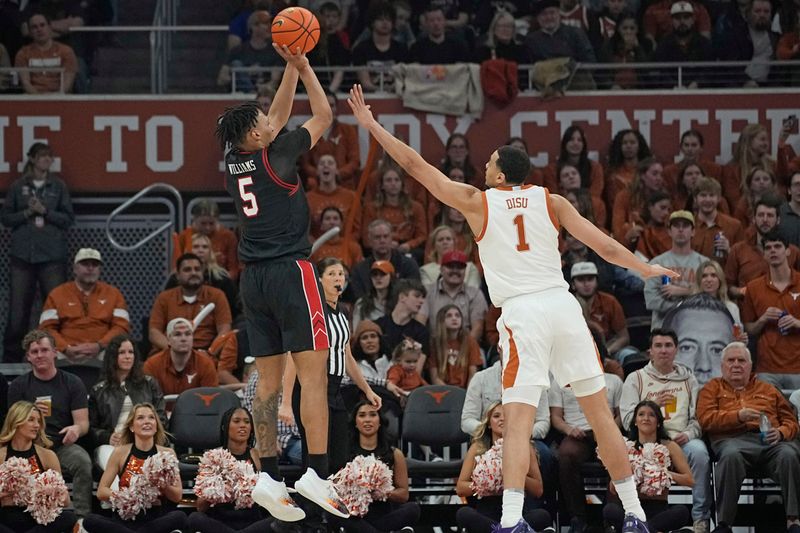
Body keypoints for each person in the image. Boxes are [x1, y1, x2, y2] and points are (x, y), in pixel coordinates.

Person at [347, 84, 677, 532]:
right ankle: (636, 516)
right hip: (563, 306)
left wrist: (371, 126)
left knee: (517, 422)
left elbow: (415, 166)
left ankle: (511, 520)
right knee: (601, 417)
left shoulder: (478, 202)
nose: (484, 167)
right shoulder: (552, 200)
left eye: (489, 164)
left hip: (524, 313)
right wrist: (644, 268)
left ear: (501, 176)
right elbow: (600, 243)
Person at [216, 46, 350, 522]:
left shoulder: (235, 156)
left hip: (252, 281)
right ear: (258, 134)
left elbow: (274, 113)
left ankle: (270, 476)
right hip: (293, 273)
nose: (271, 121)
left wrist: (290, 66)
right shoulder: (282, 153)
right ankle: (315, 472)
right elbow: (324, 113)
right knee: (312, 377)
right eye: (264, 122)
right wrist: (308, 66)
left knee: (268, 388)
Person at [696, 342, 800, 532]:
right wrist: (738, 416)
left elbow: (792, 422)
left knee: (789, 454)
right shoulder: (711, 388)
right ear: (722, 366)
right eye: (731, 360)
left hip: (770, 443)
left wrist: (781, 432)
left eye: (741, 360)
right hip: (731, 441)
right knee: (730, 455)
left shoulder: (768, 389)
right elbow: (706, 420)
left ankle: (793, 520)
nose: (736, 364)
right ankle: (724, 524)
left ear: (750, 366)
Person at [619, 330, 710, 532]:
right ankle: (631, 516)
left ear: (676, 350)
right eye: (658, 346)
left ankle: (700, 519)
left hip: (681, 439)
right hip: (646, 441)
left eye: (668, 345)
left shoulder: (689, 379)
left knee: (700, 453)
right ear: (649, 351)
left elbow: (698, 419)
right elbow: (626, 421)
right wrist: (651, 406)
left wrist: (689, 434)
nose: (663, 350)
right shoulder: (636, 378)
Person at [6, 330, 92, 518]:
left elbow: (83, 422)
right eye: (34, 352)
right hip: (29, 447)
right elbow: (11, 425)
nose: (40, 355)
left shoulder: (72, 382)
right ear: (28, 357)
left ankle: (82, 519)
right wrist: (29, 411)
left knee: (82, 461)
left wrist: (76, 429)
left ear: (55, 352)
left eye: (44, 350)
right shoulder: (18, 386)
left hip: (62, 444)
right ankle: (19, 516)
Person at [2, 142, 73, 363]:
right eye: (42, 156)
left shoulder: (58, 186)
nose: (46, 160)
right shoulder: (17, 186)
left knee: (54, 309)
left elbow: (68, 219)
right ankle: (11, 362)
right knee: (17, 312)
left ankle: (57, 356)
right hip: (23, 257)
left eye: (49, 156)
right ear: (32, 159)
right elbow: (6, 218)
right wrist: (27, 212)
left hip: (52, 257)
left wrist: (46, 212)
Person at [83, 403, 187, 533]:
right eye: (140, 418)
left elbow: (177, 496)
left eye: (151, 417)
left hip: (155, 518)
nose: (147, 421)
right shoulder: (120, 452)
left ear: (156, 427)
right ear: (132, 427)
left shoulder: (167, 454)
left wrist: (160, 482)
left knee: (180, 517)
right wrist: (125, 496)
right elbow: (102, 491)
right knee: (89, 520)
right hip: (126, 517)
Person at [455, 403, 553, 533]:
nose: (502, 419)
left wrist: (514, 475)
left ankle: (503, 530)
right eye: (496, 416)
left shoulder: (526, 447)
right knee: (463, 513)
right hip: (486, 514)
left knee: (542, 515)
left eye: (507, 416)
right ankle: (508, 531)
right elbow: (461, 488)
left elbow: (538, 490)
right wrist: (485, 483)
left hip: (517, 513)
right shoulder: (477, 448)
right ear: (489, 423)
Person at [327, 400, 421, 533]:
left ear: (380, 420)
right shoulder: (344, 453)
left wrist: (382, 491)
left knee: (413, 509)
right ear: (355, 422)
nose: (367, 420)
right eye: (362, 415)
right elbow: (334, 490)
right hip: (355, 516)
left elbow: (403, 495)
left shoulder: (395, 454)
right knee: (333, 513)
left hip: (384, 514)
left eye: (372, 415)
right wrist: (355, 488)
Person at [603, 400, 693, 533]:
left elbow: (690, 480)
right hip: (630, 507)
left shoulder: (670, 446)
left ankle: (639, 529)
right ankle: (647, 529)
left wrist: (663, 472)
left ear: (658, 422)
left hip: (658, 509)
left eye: (651, 415)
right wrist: (631, 473)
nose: (646, 418)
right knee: (609, 510)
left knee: (682, 512)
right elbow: (612, 488)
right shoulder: (626, 447)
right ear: (635, 421)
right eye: (641, 414)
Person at [549, 370, 624, 532]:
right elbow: (555, 417)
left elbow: (621, 414)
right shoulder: (560, 382)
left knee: (618, 454)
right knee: (566, 454)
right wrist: (568, 429)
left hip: (606, 431)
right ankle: (578, 518)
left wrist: (609, 428)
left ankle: (611, 519)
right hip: (577, 433)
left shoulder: (613, 380)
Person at [187, 407, 272, 533]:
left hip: (251, 520)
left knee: (280, 520)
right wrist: (217, 487)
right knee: (194, 518)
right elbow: (200, 507)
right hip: (221, 521)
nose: (242, 425)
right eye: (236, 421)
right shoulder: (214, 456)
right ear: (225, 427)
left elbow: (269, 498)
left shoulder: (257, 455)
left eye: (247, 422)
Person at [39, 248, 130, 363]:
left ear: (100, 269)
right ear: (75, 269)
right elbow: (46, 328)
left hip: (103, 350)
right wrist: (66, 348)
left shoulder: (114, 294)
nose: (90, 268)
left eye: (95, 265)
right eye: (85, 264)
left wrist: (100, 345)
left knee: (120, 354)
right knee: (46, 354)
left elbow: (121, 327)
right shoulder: (57, 294)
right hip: (65, 352)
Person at [89, 334, 166, 469]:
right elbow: (91, 428)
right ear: (113, 356)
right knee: (110, 458)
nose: (128, 356)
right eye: (122, 352)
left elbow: (161, 418)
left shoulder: (149, 384)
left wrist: (143, 435)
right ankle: (116, 491)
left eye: (131, 352)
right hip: (114, 445)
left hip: (145, 441)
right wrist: (107, 437)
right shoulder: (99, 390)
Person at [0, 400, 77, 533]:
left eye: (39, 421)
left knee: (68, 517)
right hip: (6, 519)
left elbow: (66, 501)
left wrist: (47, 494)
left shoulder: (47, 456)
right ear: (16, 422)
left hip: (37, 522)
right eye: (31, 420)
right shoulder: (1, 455)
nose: (36, 425)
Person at [741, 230, 800, 391]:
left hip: (798, 367)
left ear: (788, 251)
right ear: (764, 254)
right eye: (768, 248)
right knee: (766, 415)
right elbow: (748, 329)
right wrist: (763, 319)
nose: (773, 250)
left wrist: (796, 322)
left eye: (778, 246)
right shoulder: (753, 287)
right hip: (766, 369)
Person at [149, 253, 232, 352]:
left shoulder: (217, 295)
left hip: (206, 352)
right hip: (171, 351)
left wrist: (211, 351)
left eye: (197, 269)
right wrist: (173, 349)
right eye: (187, 270)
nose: (193, 273)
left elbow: (225, 330)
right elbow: (154, 332)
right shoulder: (164, 298)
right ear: (178, 275)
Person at [726, 194, 800, 299]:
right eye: (761, 215)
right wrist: (745, 292)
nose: (765, 220)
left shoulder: (793, 252)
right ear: (754, 219)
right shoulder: (738, 250)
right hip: (748, 309)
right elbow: (728, 286)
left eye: (770, 215)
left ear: (778, 220)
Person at [644, 210, 708, 328]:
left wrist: (684, 291)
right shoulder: (657, 264)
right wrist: (691, 298)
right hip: (663, 330)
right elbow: (651, 300)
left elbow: (710, 295)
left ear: (693, 231)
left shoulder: (704, 263)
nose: (680, 230)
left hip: (696, 328)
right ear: (669, 231)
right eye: (676, 226)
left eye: (685, 226)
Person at [420, 250, 488, 341]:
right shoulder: (428, 292)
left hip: (467, 346)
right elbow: (420, 323)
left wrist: (463, 349)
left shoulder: (475, 294)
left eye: (460, 267)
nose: (455, 270)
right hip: (435, 346)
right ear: (441, 269)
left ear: (465, 271)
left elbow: (478, 328)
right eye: (450, 266)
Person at [300, 92, 361, 190]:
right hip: (317, 184)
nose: (328, 109)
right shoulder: (306, 132)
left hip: (343, 183)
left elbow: (355, 161)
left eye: (331, 105)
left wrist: (338, 174)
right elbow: (304, 164)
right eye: (323, 105)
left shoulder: (348, 130)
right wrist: (320, 174)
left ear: (336, 109)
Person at [143, 318, 219, 396]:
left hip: (196, 408)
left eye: (188, 334)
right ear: (168, 339)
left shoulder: (206, 364)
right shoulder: (152, 365)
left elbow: (211, 401)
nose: (183, 339)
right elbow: (147, 400)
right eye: (177, 334)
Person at [348, 219, 421, 300]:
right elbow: (359, 298)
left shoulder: (408, 265)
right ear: (370, 240)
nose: (382, 241)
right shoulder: (360, 270)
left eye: (386, 236)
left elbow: (415, 294)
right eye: (377, 237)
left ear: (391, 239)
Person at [570, 262, 631, 356]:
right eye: (581, 280)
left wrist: (607, 351)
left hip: (608, 349)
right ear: (573, 284)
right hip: (576, 351)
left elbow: (623, 337)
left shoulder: (610, 301)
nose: (586, 284)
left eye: (590, 279)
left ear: (597, 281)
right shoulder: (567, 304)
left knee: (627, 354)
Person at [651, 1, 713, 88]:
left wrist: (697, 83)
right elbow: (660, 72)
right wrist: (674, 85)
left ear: (692, 20)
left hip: (700, 93)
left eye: (686, 17)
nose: (682, 21)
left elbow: (710, 70)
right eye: (677, 18)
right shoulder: (663, 45)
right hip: (671, 94)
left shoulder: (704, 44)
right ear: (671, 20)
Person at [176, 199, 240, 281]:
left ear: (217, 220)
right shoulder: (184, 236)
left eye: (211, 223)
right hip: (190, 280)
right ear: (195, 219)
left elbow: (233, 269)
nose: (207, 227)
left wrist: (225, 282)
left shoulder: (228, 236)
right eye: (203, 223)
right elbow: (176, 267)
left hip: (219, 281)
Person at [14, 13, 78, 93]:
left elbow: (67, 85)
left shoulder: (66, 51)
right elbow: (26, 84)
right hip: (32, 99)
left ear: (49, 27)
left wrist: (53, 99)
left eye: (42, 25)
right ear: (30, 32)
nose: (39, 29)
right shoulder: (22, 53)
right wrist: (40, 100)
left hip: (60, 99)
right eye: (34, 27)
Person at [690, 177, 745, 265]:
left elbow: (743, 260)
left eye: (712, 195)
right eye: (703, 195)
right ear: (695, 199)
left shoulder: (734, 226)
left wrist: (729, 250)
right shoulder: (687, 226)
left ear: (719, 198)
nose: (707, 200)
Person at [427, 304, 482, 388]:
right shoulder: (435, 343)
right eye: (449, 316)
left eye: (457, 315)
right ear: (441, 320)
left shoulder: (469, 341)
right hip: (442, 390)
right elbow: (435, 377)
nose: (454, 318)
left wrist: (467, 394)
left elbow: (472, 373)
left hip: (465, 390)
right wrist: (450, 394)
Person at [374, 278, 429, 355]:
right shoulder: (378, 326)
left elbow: (418, 365)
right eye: (417, 296)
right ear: (402, 297)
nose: (422, 301)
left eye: (423, 297)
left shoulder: (421, 332)